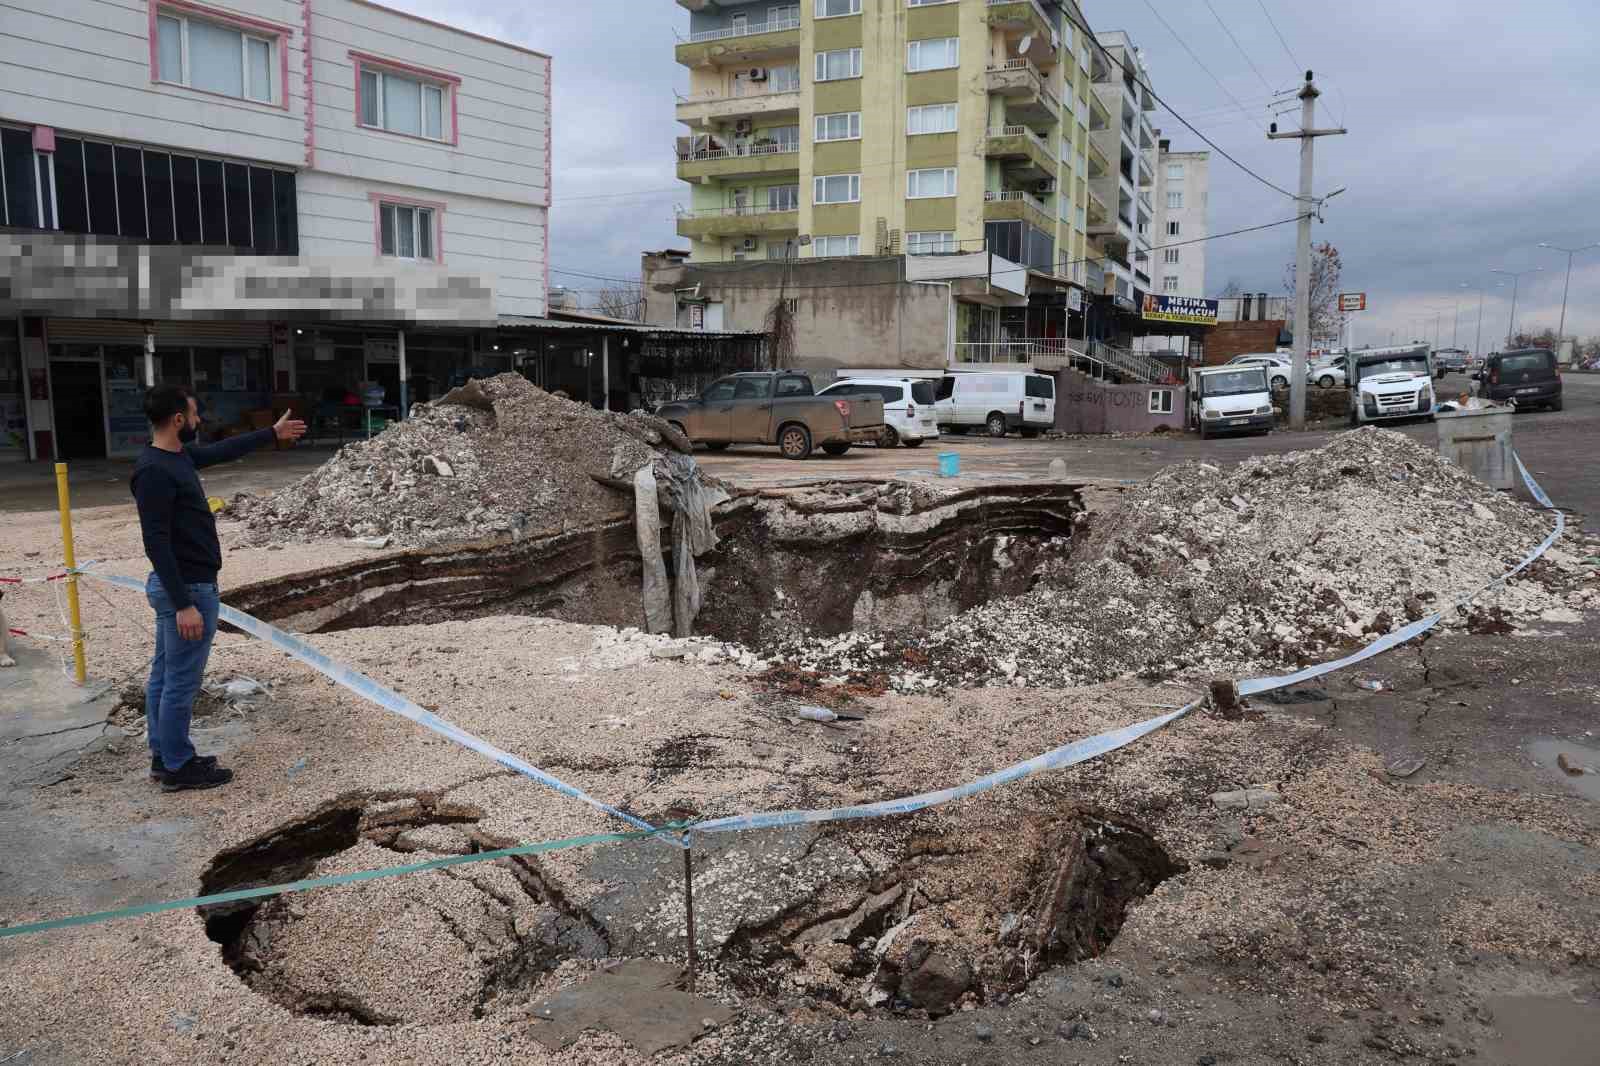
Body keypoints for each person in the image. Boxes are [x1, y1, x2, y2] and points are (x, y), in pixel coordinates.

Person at [133, 386, 305, 791]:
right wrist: (183, 604)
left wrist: (270, 434)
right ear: (178, 419)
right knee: (179, 682)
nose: (199, 422)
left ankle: (165, 756)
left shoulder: (177, 458)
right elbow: (155, 542)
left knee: (164, 675)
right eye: (194, 415)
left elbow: (221, 452)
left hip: (186, 587)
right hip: (187, 590)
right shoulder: (155, 470)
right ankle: (177, 766)